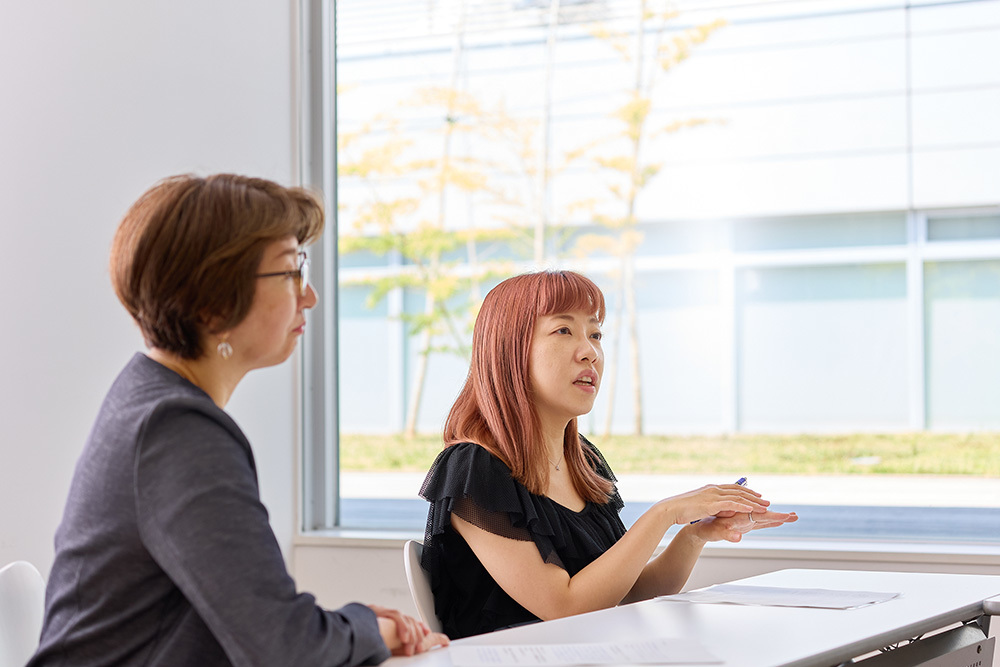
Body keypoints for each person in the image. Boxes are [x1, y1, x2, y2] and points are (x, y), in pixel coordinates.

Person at [30, 174, 448, 666]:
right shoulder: (176, 430)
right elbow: (283, 648)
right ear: (212, 302)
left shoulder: (148, 397)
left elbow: (256, 623)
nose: (308, 296)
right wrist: (370, 628)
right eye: (291, 272)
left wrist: (353, 629)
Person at [419, 270, 798, 639]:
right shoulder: (473, 468)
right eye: (563, 330)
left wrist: (694, 534)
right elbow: (564, 608)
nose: (590, 352)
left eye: (596, 334)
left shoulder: (584, 463)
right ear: (509, 351)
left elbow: (629, 593)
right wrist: (664, 512)